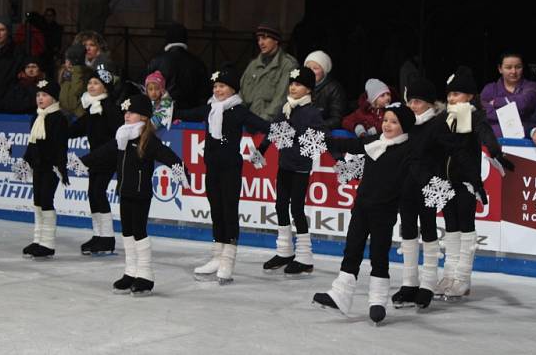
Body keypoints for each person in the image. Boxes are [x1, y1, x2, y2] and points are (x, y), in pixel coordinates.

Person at [313, 104, 417, 324]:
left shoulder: (407, 152)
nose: (387, 125)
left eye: (394, 122)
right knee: (352, 249)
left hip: (384, 212)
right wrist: (324, 139)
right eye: (386, 120)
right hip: (361, 208)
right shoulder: (374, 143)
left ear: (404, 127)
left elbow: (417, 177)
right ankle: (339, 294)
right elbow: (348, 143)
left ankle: (377, 301)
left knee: (379, 255)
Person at [76, 94, 190, 296]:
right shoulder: (122, 137)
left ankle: (145, 275)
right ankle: (130, 272)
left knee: (139, 231)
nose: (127, 116)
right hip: (125, 192)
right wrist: (82, 162)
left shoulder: (148, 140)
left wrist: (182, 174)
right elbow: (102, 152)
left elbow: (170, 157)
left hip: (141, 194)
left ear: (144, 117)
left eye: (132, 112)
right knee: (127, 232)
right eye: (126, 112)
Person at [176, 68, 270, 284]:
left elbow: (266, 127)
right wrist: (166, 110)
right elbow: (186, 113)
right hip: (212, 168)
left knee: (229, 211)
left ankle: (228, 260)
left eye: (222, 86)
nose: (217, 89)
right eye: (215, 86)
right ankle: (217, 257)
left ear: (232, 89)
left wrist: (262, 149)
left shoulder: (238, 111)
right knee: (216, 211)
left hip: (230, 169)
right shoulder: (210, 109)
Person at [438, 66, 513, 300]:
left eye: (457, 94)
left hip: (467, 180)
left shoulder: (474, 115)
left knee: (465, 224)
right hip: (445, 180)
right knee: (450, 225)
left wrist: (495, 152)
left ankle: (463, 277)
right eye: (449, 94)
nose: (451, 98)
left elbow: (485, 134)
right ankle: (449, 274)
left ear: (470, 96)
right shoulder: (445, 117)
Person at [259, 66, 325, 276]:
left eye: (298, 84)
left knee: (296, 208)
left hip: (300, 168)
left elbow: (316, 141)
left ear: (308, 89)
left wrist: (300, 150)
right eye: (292, 83)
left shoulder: (312, 113)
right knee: (280, 205)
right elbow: (274, 132)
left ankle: (305, 257)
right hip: (285, 165)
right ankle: (284, 251)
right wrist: (260, 150)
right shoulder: (287, 108)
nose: (293, 87)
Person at [392, 77, 451, 309]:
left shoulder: (438, 124)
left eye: (417, 101)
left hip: (430, 185)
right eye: (410, 101)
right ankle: (409, 283)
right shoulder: (406, 124)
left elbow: (449, 152)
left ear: (429, 103)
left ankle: (427, 283)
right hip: (406, 185)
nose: (412, 106)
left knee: (428, 228)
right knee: (407, 229)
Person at [67, 64, 123, 255]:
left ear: (105, 87)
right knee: (93, 193)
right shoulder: (92, 107)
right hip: (95, 158)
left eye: (96, 83)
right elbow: (77, 128)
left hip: (107, 156)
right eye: (90, 82)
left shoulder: (110, 109)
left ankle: (107, 238)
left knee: (98, 192)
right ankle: (98, 235)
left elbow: (118, 137)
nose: (91, 86)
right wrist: (56, 130)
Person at [20, 78, 70, 258]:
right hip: (38, 166)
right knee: (37, 201)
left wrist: (61, 168)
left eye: (45, 95)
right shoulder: (37, 117)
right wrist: (26, 161)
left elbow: (60, 146)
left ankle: (47, 243)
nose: (40, 98)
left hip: (51, 167)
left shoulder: (58, 119)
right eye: (38, 95)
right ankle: (38, 239)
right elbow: (32, 143)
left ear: (54, 98)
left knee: (46, 201)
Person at [240, 22, 298, 121]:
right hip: (248, 123)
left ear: (276, 40)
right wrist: (239, 117)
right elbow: (241, 95)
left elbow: (281, 99)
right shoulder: (253, 65)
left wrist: (261, 121)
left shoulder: (288, 65)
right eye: (258, 39)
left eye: (265, 38)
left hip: (270, 124)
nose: (260, 43)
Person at [145, 23, 209, 110]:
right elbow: (204, 93)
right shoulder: (198, 63)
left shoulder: (156, 61)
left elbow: (146, 89)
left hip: (162, 113)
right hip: (191, 113)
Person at [480, 52, 536, 137]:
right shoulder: (490, 89)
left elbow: (524, 103)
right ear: (500, 69)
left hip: (526, 143)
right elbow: (482, 113)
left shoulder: (532, 87)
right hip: (494, 143)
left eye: (518, 67)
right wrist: (516, 116)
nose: (513, 71)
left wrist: (496, 103)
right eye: (508, 67)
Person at [304, 50, 346, 130]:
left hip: (324, 132)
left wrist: (315, 126)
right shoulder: (300, 86)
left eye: (315, 68)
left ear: (324, 71)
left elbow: (337, 119)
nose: (311, 72)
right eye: (308, 68)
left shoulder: (334, 88)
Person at [58, 44, 92, 118]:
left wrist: (77, 69)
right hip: (64, 112)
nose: (69, 64)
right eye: (67, 60)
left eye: (72, 61)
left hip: (79, 114)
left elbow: (77, 90)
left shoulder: (84, 73)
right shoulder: (63, 73)